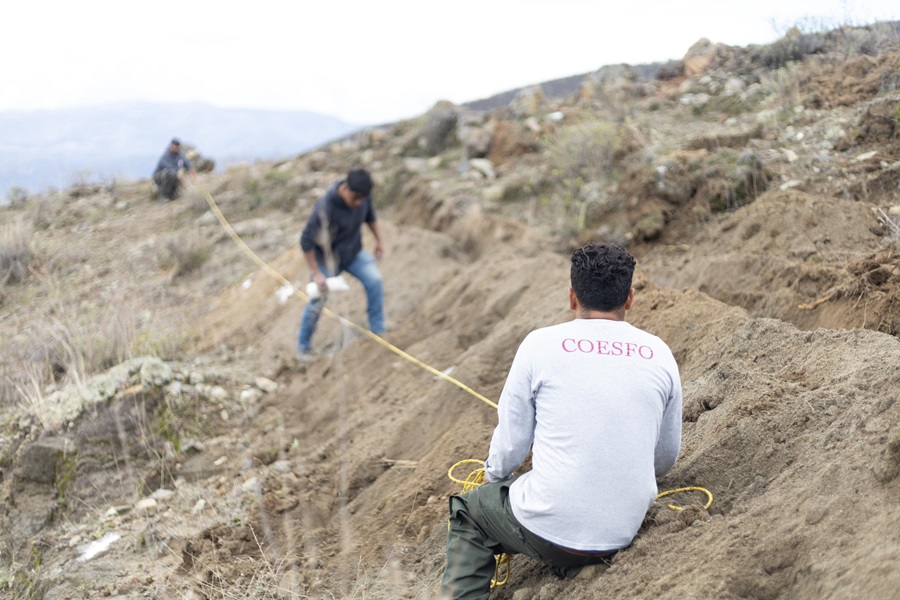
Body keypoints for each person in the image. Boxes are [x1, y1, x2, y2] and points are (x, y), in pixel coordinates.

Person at [441, 242, 682, 599]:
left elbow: (511, 444)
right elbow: (664, 460)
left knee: (469, 513)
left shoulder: (539, 345)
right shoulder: (660, 353)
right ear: (629, 299)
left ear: (572, 297)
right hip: (623, 530)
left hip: (552, 529)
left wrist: (493, 478)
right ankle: (575, 565)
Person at [297, 168, 385, 359]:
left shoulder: (362, 196)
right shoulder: (325, 207)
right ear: (345, 188)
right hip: (325, 261)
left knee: (375, 281)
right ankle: (303, 346)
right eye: (355, 198)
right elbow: (305, 241)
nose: (358, 203)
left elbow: (370, 217)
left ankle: (379, 332)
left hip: (353, 254)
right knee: (317, 298)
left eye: (362, 199)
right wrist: (316, 273)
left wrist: (379, 240)